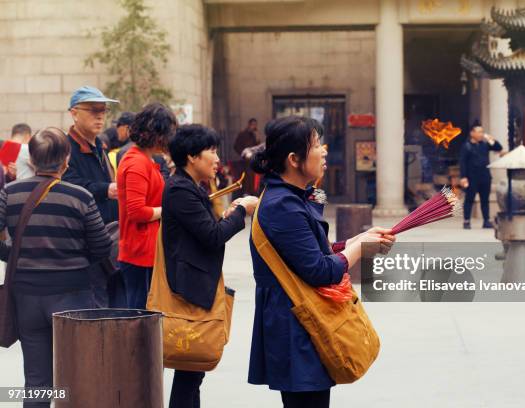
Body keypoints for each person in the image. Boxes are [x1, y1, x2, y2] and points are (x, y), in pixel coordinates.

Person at [248, 116, 395, 408]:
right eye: (316, 144)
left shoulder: (291, 197)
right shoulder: (283, 205)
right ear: (293, 159)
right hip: (296, 325)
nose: (325, 150)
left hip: (302, 321)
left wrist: (356, 241)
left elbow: (313, 251)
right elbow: (319, 270)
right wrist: (359, 249)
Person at [0, 127, 112, 408]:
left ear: (32, 160)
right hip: (72, 296)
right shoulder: (80, 197)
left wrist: (13, 253)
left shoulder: (9, 193)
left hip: (26, 297)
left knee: (37, 382)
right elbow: (101, 248)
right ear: (66, 159)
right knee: (77, 378)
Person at [162, 124, 259, 408]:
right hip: (188, 289)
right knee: (191, 369)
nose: (217, 158)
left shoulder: (189, 186)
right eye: (212, 151)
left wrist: (229, 216)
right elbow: (213, 237)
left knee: (193, 371)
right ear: (192, 156)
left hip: (195, 284)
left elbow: (206, 230)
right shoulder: (181, 189)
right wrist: (241, 210)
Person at [117, 103, 176, 309]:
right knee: (140, 316)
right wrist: (166, 211)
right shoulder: (137, 163)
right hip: (140, 251)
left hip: (145, 249)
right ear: (158, 134)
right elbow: (136, 212)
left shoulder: (143, 159)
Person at [63, 85, 119, 224]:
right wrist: (105, 189)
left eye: (103, 110)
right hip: (83, 233)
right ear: (74, 114)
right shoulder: (64, 148)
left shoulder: (101, 146)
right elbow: (68, 185)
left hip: (109, 231)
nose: (100, 116)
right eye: (94, 110)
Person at [459, 121, 502, 229]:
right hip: (471, 177)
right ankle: (466, 221)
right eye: (479, 132)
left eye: (482, 132)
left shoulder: (485, 144)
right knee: (469, 199)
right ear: (472, 133)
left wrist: (490, 139)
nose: (481, 134)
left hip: (485, 176)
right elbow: (462, 162)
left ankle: (486, 221)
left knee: (485, 199)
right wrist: (463, 177)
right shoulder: (466, 146)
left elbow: (498, 148)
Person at [233, 118, 260, 195]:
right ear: (249, 125)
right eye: (252, 125)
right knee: (246, 177)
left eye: (255, 125)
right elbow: (236, 146)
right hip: (244, 160)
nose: (254, 127)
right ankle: (245, 192)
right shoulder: (242, 134)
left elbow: (258, 147)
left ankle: (252, 192)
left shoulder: (254, 135)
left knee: (252, 178)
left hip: (252, 160)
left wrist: (257, 137)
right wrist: (243, 154)